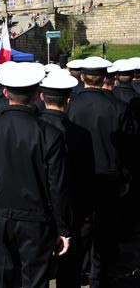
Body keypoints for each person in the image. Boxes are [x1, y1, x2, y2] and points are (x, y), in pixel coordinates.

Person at [0, 62, 70, 288]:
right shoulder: (50, 134)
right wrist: (63, 227)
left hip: (1, 214)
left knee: (1, 276)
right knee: (35, 279)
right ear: (37, 95)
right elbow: (57, 186)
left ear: (5, 93)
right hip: (34, 219)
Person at [66, 56, 135, 287]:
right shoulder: (118, 106)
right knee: (103, 237)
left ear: (83, 77)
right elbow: (127, 149)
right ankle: (98, 280)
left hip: (79, 179)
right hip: (108, 178)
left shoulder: (71, 105)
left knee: (79, 234)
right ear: (106, 78)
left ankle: (75, 277)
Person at [38, 71, 95, 288]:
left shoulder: (32, 128)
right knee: (69, 270)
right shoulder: (81, 134)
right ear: (68, 100)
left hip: (36, 207)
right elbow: (87, 177)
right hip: (73, 210)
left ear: (42, 97)